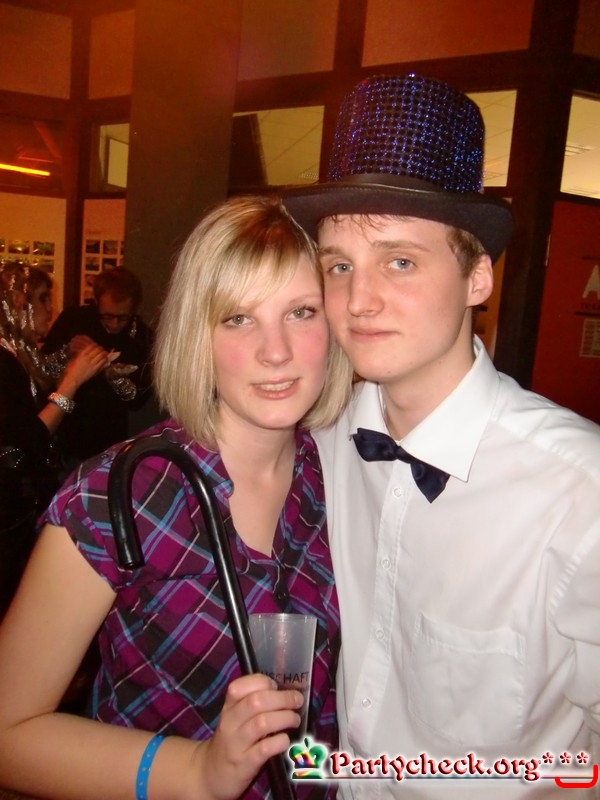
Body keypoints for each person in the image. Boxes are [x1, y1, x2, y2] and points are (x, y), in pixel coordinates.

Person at [283, 74, 600, 797]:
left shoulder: (579, 495)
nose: (359, 301)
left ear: (477, 278)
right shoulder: (320, 443)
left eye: (400, 261)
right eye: (339, 266)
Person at [0, 195, 353, 800]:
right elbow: (9, 732)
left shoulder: (344, 478)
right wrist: (196, 772)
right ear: (197, 333)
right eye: (237, 318)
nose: (276, 351)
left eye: (301, 312)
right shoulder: (116, 496)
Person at [0, 264, 109, 616]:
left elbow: (36, 377)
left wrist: (71, 359)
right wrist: (71, 383)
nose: (52, 309)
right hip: (9, 509)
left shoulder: (16, 351)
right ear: (17, 303)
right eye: (44, 299)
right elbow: (30, 437)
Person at [42, 266, 155, 470]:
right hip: (64, 434)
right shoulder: (74, 319)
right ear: (96, 302)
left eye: (123, 317)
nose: (114, 324)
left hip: (107, 440)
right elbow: (42, 374)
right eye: (107, 316)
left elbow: (137, 400)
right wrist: (67, 352)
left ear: (134, 309)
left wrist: (116, 378)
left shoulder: (142, 337)